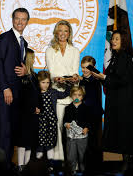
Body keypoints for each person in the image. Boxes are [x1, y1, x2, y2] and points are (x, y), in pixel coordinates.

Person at [0, 8, 30, 168]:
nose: (20, 22)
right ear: (12, 19)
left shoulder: (23, 41)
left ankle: (7, 164)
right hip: (3, 91)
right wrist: (5, 88)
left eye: (24, 19)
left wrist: (26, 70)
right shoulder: (4, 38)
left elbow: (19, 65)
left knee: (12, 130)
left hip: (16, 92)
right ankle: (2, 168)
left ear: (27, 21)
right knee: (5, 131)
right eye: (17, 18)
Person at [92, 30, 133, 160]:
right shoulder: (116, 57)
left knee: (125, 133)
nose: (113, 41)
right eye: (113, 38)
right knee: (120, 134)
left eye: (117, 39)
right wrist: (101, 77)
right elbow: (112, 80)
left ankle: (128, 163)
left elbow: (122, 80)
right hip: (117, 101)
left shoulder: (124, 57)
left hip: (123, 103)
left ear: (124, 41)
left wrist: (104, 77)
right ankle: (126, 162)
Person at [45, 20, 80, 161]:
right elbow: (52, 72)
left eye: (66, 31)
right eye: (60, 30)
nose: (63, 34)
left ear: (69, 33)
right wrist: (58, 79)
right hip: (57, 94)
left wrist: (75, 77)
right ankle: (58, 161)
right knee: (58, 128)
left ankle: (73, 162)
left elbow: (74, 71)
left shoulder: (75, 50)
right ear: (56, 32)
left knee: (73, 128)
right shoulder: (49, 50)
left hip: (72, 93)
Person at [35, 70, 71, 170]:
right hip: (40, 122)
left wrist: (65, 83)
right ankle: (38, 165)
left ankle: (50, 165)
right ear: (38, 82)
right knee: (40, 144)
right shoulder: (35, 93)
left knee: (50, 144)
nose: (45, 85)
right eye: (43, 82)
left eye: (47, 82)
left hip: (51, 122)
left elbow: (65, 93)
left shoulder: (53, 92)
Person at [78, 56, 104, 173]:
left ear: (93, 68)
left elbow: (90, 96)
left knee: (95, 142)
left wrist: (81, 80)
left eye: (88, 67)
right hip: (84, 116)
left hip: (94, 115)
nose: (84, 70)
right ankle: (85, 166)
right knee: (84, 142)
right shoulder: (81, 80)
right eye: (83, 67)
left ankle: (96, 168)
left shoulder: (96, 79)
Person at [17, 48, 39, 171]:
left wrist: (38, 108)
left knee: (30, 141)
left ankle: (27, 165)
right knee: (22, 140)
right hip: (24, 113)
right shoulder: (21, 78)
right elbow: (23, 97)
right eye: (33, 58)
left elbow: (37, 94)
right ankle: (20, 165)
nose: (34, 60)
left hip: (33, 114)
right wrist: (31, 108)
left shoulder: (34, 77)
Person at [63, 86, 90, 174]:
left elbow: (88, 120)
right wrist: (66, 124)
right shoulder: (68, 108)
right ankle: (72, 169)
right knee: (71, 155)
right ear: (71, 96)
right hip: (71, 136)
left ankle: (83, 169)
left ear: (82, 96)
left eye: (79, 95)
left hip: (82, 136)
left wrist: (86, 127)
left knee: (82, 154)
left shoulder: (86, 108)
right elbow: (65, 120)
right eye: (75, 95)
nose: (77, 97)